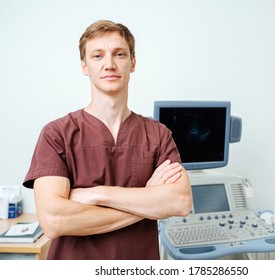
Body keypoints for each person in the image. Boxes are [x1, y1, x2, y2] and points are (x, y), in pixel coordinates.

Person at [23, 20, 192, 260]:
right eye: (97, 56)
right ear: (84, 66)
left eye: (119, 54)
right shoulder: (57, 134)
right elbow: (54, 220)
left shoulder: (158, 135)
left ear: (132, 63)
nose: (109, 64)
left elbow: (180, 202)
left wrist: (97, 194)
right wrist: (146, 199)